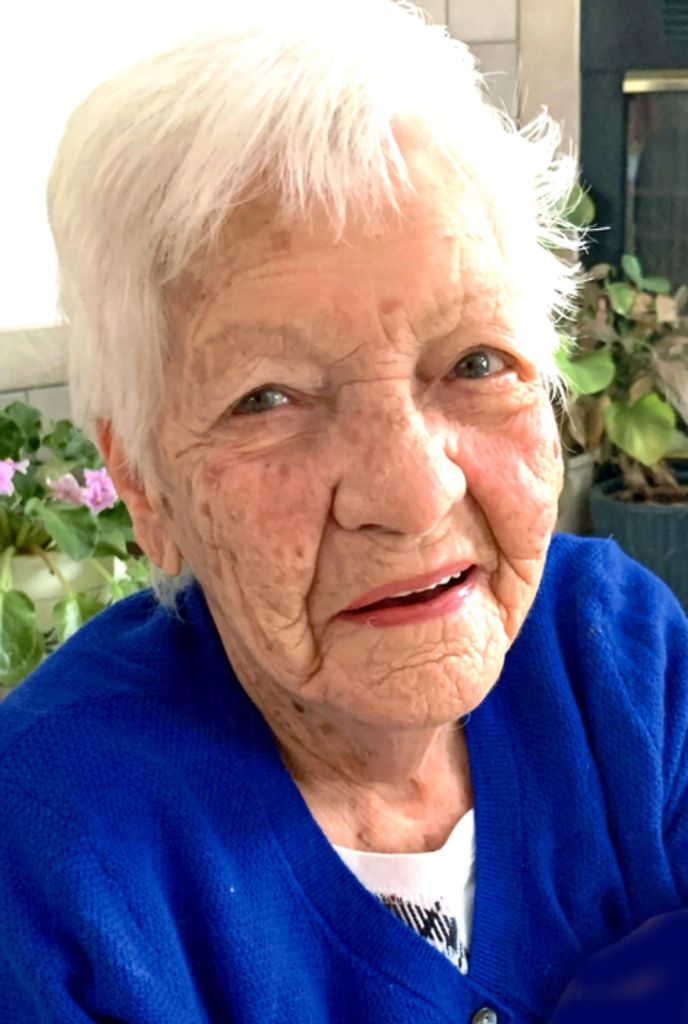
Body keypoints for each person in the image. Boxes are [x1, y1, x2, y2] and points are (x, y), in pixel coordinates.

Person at [0, 2, 686, 1021]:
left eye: (475, 362)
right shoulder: (50, 858)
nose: (413, 496)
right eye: (268, 399)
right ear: (144, 486)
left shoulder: (614, 654)